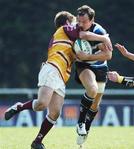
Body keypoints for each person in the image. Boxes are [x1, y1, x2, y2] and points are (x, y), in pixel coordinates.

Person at [4, 11, 112, 149]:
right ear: (67, 22)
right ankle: (19, 106)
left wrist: (95, 49)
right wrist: (104, 38)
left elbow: (82, 53)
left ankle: (37, 142)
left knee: (54, 113)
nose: (76, 24)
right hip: (52, 68)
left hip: (61, 77)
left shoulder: (73, 41)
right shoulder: (64, 29)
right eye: (74, 21)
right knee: (42, 104)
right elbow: (83, 34)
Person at [74, 5, 113, 146]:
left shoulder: (99, 30)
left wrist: (87, 56)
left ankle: (86, 129)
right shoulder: (76, 28)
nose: (81, 24)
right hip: (84, 66)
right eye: (79, 21)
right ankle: (80, 123)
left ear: (92, 20)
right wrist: (103, 41)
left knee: (95, 105)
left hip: (101, 68)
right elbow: (81, 35)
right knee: (92, 88)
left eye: (84, 22)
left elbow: (108, 55)